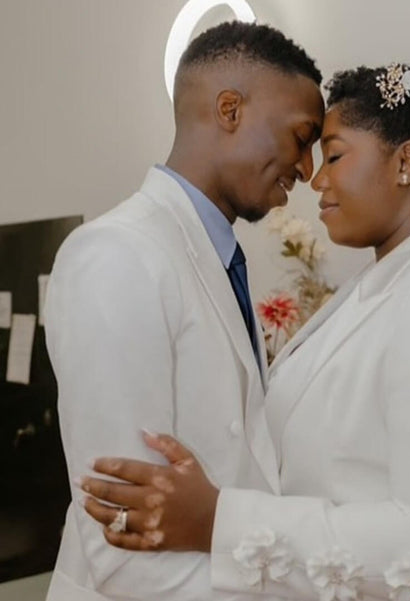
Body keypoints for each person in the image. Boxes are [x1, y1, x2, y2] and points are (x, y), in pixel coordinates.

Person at [80, 62, 410, 601]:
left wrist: (218, 522)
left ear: (407, 162)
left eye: (334, 155)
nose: (315, 180)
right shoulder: (381, 285)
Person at [43, 21, 324, 601]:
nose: (308, 169)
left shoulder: (217, 254)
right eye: (302, 136)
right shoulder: (117, 254)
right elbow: (120, 542)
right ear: (229, 110)